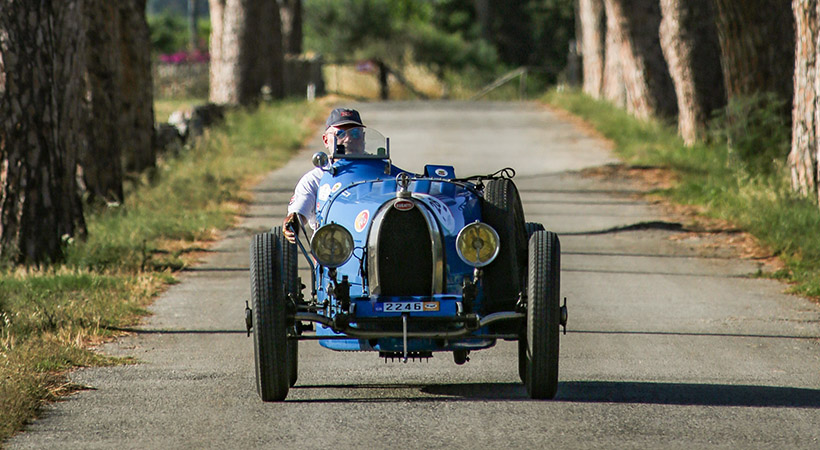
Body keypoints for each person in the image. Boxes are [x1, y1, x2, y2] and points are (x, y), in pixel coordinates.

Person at [283, 108, 365, 243]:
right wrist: (292, 222)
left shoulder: (382, 173)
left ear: (363, 138)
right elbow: (299, 213)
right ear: (326, 140)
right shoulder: (315, 179)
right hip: (333, 249)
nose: (349, 138)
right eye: (340, 133)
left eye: (355, 133)